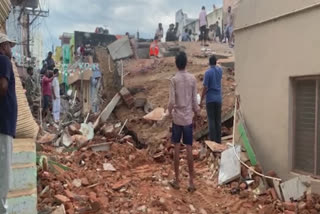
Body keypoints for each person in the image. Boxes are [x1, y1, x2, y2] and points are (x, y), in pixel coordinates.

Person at [168, 51, 200, 192]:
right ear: (186, 63)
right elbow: (194, 101)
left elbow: (171, 102)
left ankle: (176, 180)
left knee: (176, 147)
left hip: (177, 118)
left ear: (176, 64)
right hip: (188, 118)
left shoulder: (174, 80)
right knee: (188, 147)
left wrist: (169, 113)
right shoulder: (192, 79)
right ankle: (191, 182)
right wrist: (198, 113)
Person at [0, 33, 17, 214]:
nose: (11, 50)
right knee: (3, 173)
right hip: (3, 124)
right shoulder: (4, 61)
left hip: (3, 124)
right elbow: (3, 87)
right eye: (9, 46)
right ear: (3, 46)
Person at [200, 55, 222, 143]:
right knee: (218, 120)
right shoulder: (220, 71)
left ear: (209, 62)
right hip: (218, 98)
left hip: (210, 99)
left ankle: (213, 141)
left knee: (211, 120)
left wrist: (201, 99)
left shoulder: (207, 72)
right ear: (216, 62)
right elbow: (219, 66)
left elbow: (205, 87)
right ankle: (218, 140)